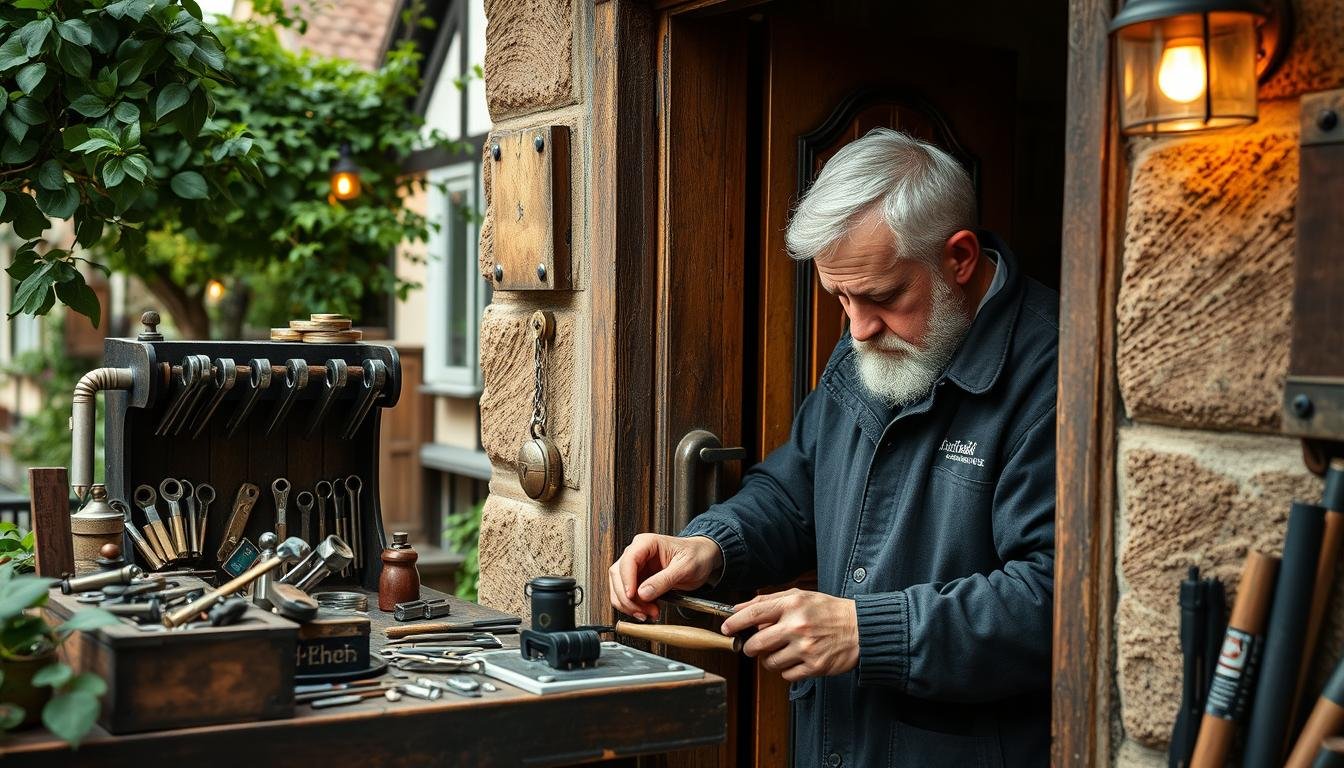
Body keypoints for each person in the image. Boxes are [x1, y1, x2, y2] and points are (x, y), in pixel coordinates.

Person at [608, 128, 1057, 766]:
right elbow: (795, 493)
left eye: (881, 297)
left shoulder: (1053, 372)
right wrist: (712, 546)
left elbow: (1053, 601)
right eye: (839, 297)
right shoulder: (874, 338)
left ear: (958, 257)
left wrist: (863, 632)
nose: (856, 328)